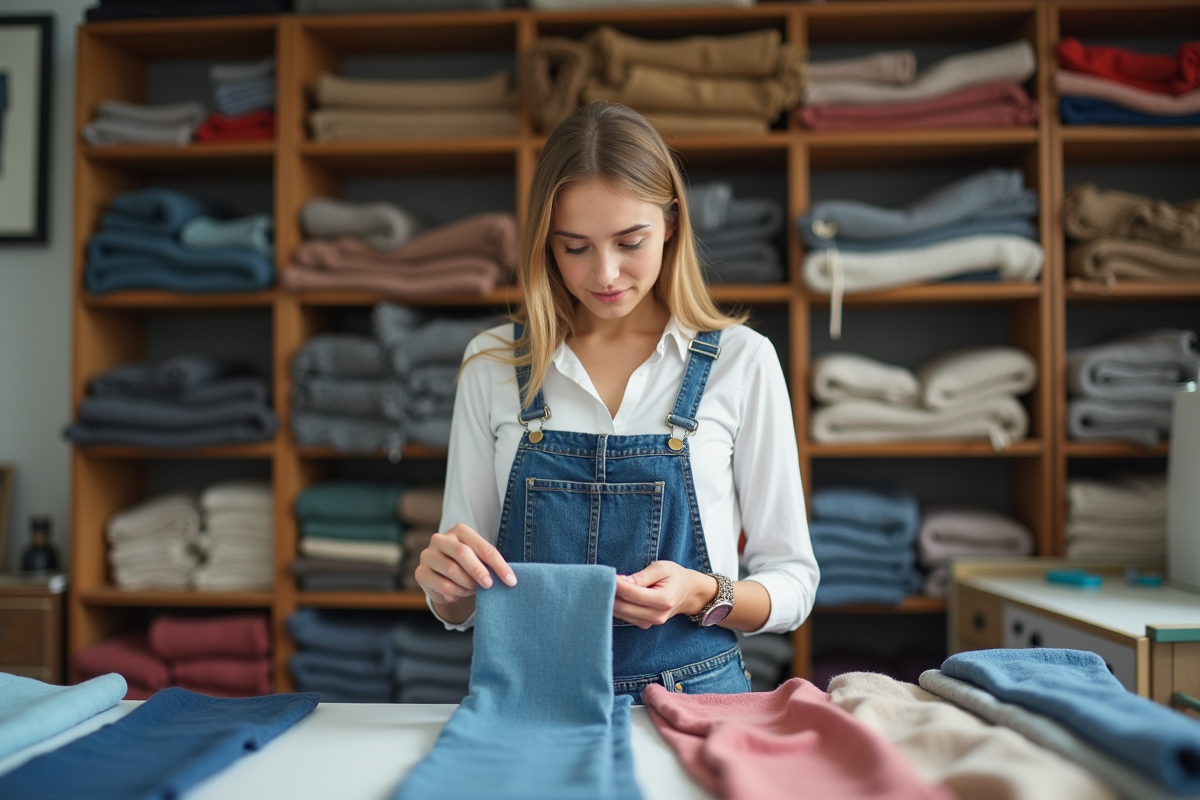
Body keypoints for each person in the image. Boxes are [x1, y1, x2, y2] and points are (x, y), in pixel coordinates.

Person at [415, 101, 818, 698]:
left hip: (697, 695)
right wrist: (444, 586)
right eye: (574, 247)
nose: (605, 274)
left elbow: (793, 582)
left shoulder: (743, 360)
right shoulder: (493, 363)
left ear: (673, 222)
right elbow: (462, 607)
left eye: (631, 241)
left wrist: (703, 594)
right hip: (530, 696)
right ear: (545, 243)